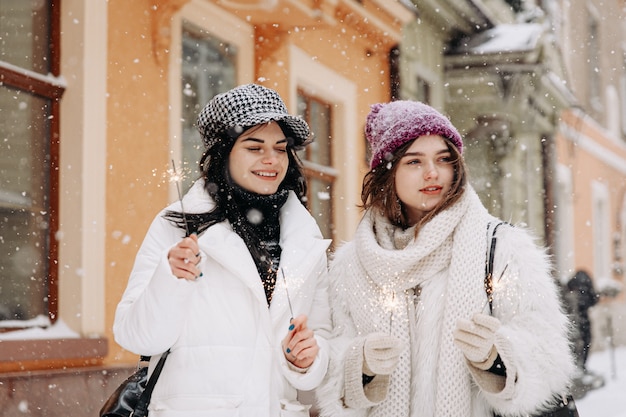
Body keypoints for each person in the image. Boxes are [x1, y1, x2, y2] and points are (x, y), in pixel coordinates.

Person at [316, 100, 575, 417]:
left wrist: (498, 356)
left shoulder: (503, 248)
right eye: (414, 162)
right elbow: (329, 371)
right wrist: (361, 367)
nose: (432, 173)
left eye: (443, 159)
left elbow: (548, 353)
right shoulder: (352, 265)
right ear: (388, 170)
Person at [114, 84, 332, 417]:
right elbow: (137, 337)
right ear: (224, 152)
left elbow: (320, 334)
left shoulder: (305, 236)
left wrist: (305, 360)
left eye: (281, 147)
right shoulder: (178, 225)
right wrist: (169, 278)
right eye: (254, 147)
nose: (272, 159)